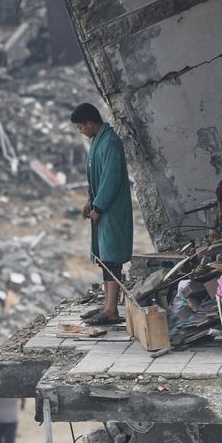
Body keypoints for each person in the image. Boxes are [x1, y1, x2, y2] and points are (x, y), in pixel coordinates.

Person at [72, 102, 133, 326]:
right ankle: (107, 304)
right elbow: (98, 179)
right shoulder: (99, 141)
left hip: (112, 211)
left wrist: (98, 207)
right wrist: (91, 202)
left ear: (90, 123)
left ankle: (111, 309)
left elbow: (110, 179)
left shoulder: (110, 142)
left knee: (111, 258)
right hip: (103, 208)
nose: (80, 131)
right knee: (104, 258)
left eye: (81, 127)